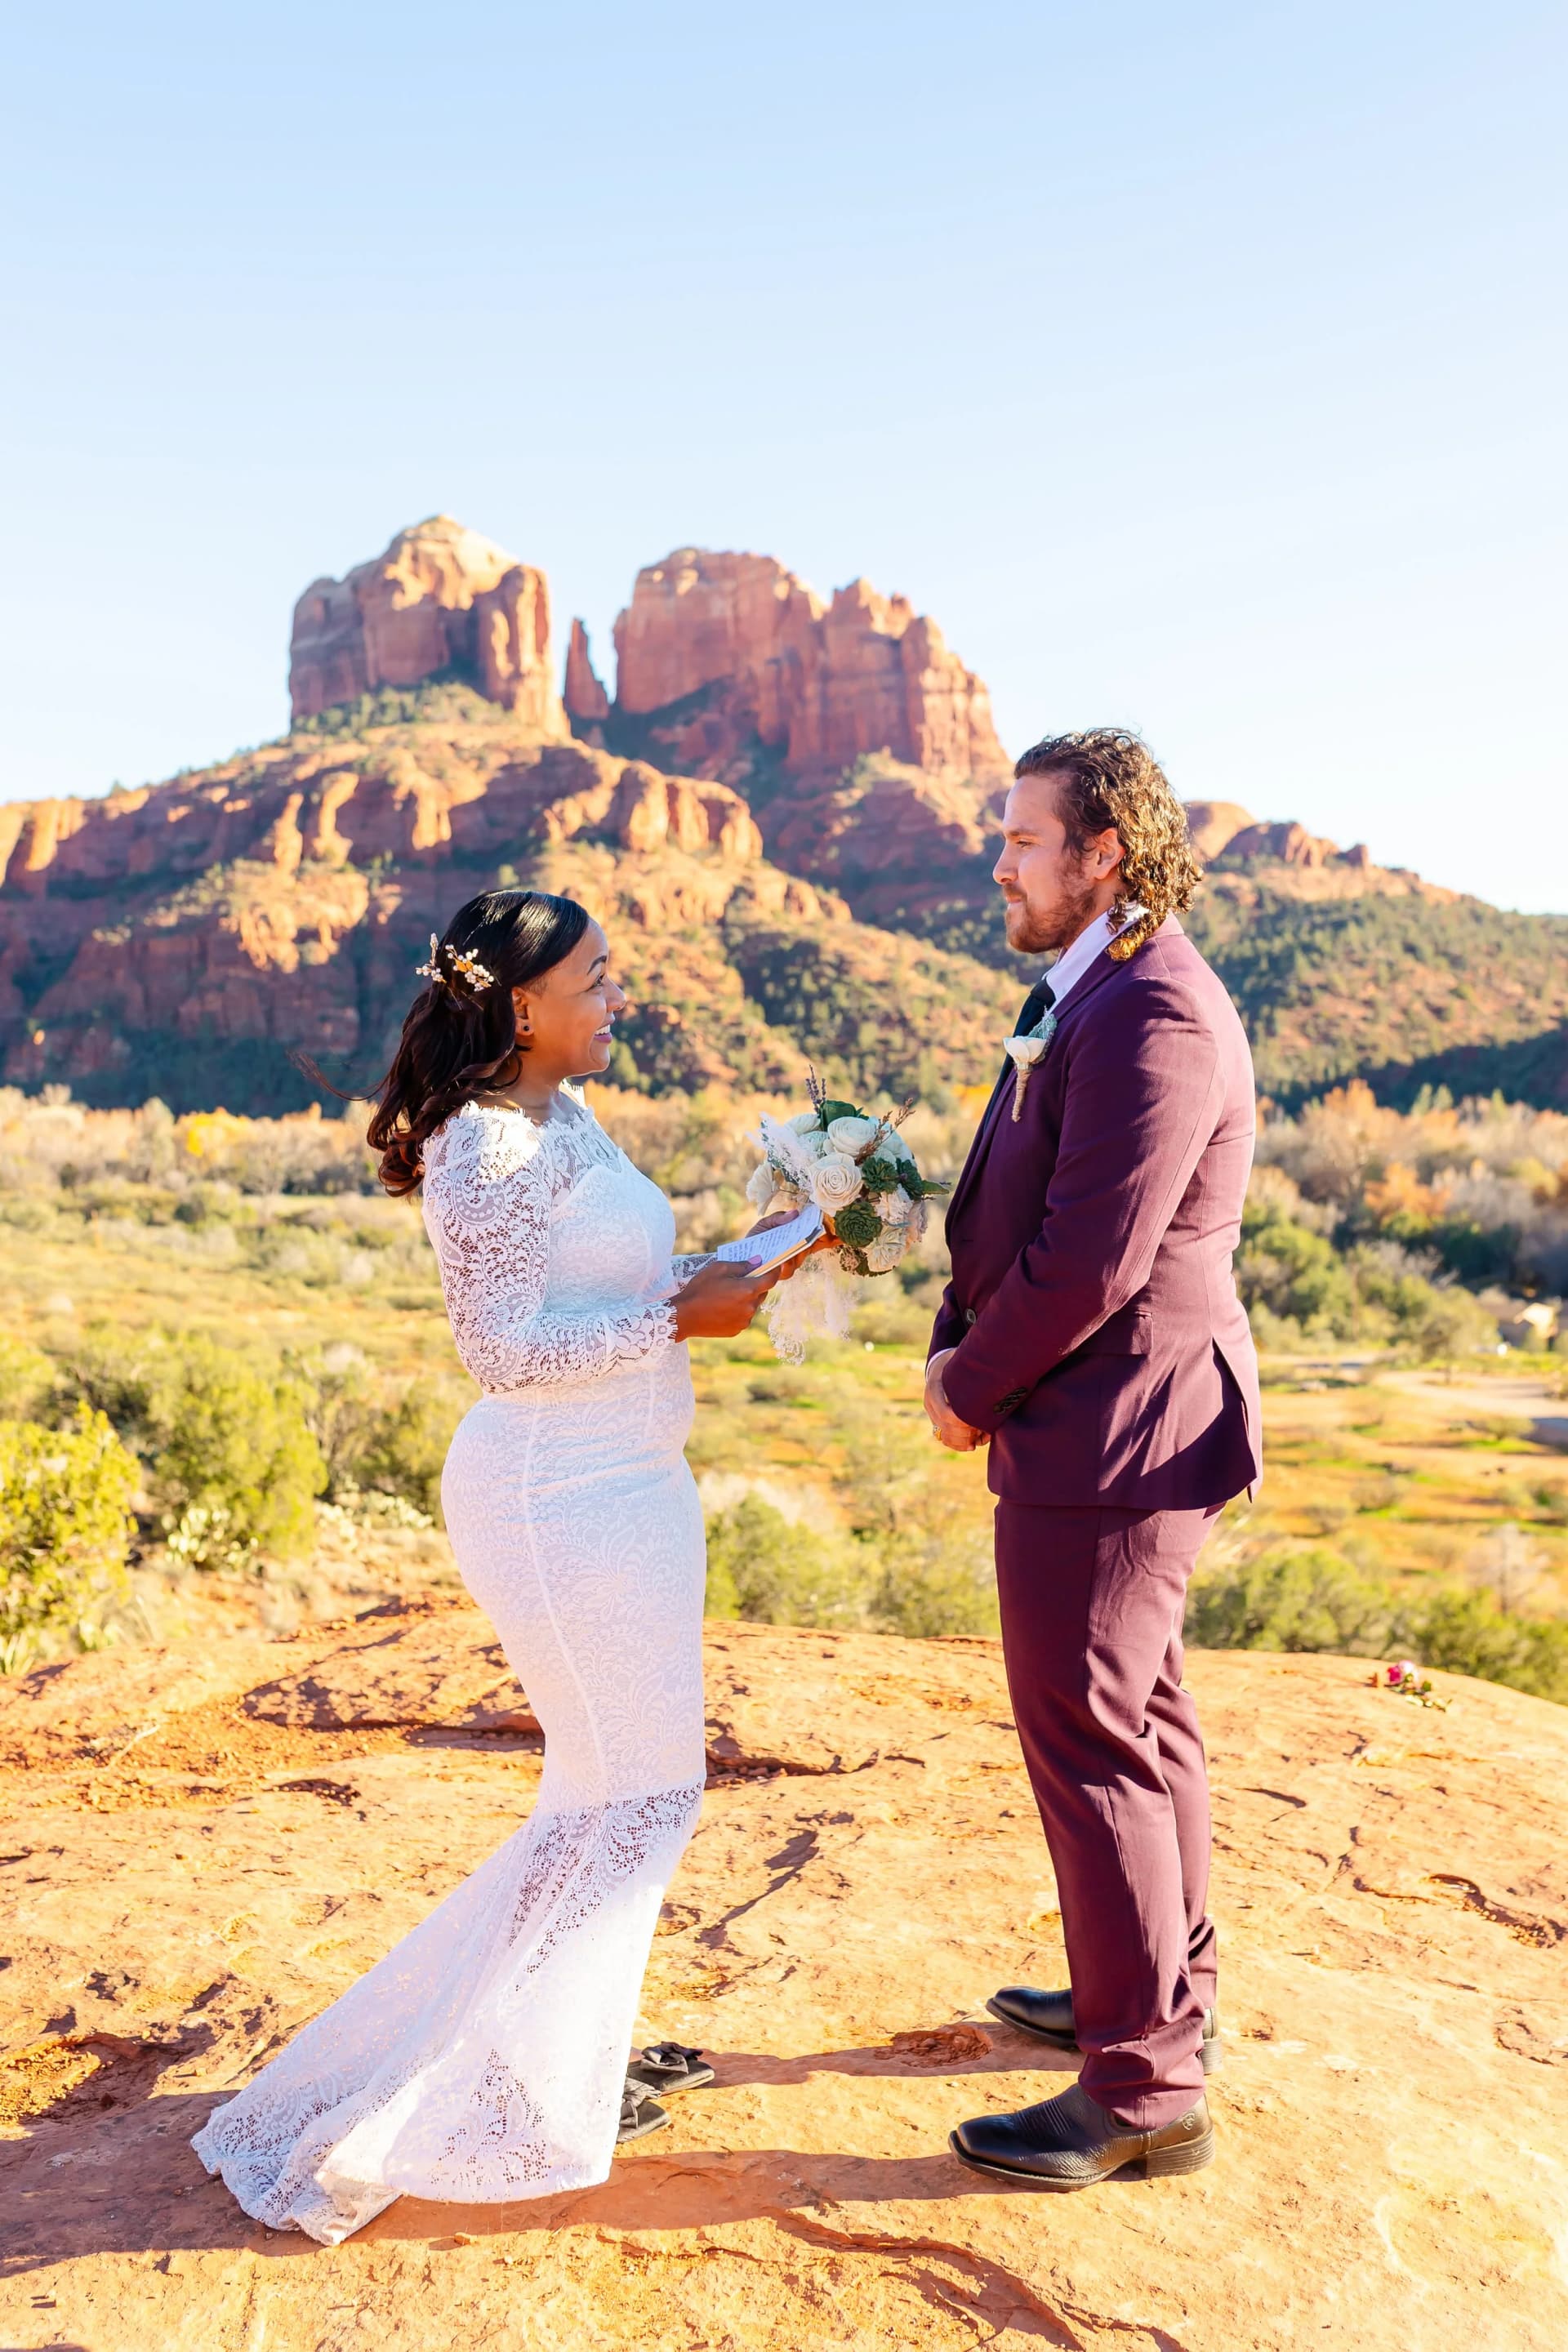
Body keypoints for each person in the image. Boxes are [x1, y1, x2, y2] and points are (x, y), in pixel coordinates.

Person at [194, 888, 813, 2243]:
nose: (620, 997)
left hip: (631, 1484)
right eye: (598, 979)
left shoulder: (563, 1113)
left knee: (600, 1788)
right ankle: (507, 2080)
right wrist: (679, 1322)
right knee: (645, 1789)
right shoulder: (482, 1145)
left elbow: (607, 1285)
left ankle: (560, 2047)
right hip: (557, 1499)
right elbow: (504, 1350)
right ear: (523, 1006)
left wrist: (754, 1257)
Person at [925, 731, 1261, 2190]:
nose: (1000, 864)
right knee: (1144, 1719)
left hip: (1116, 1429)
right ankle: (1151, 1992)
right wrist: (953, 1327)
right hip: (1103, 1423)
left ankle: (1144, 2091)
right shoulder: (1092, 989)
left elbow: (1094, 1258)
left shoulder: (1156, 1010)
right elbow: (1012, 1201)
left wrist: (967, 1387)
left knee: (1093, 1739)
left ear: (1101, 852)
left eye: (1022, 839)